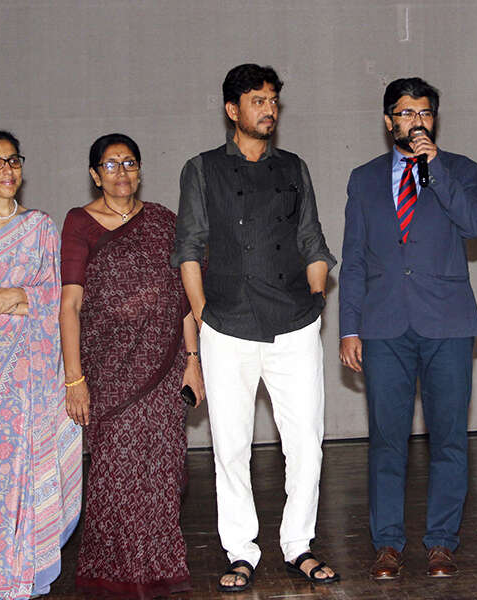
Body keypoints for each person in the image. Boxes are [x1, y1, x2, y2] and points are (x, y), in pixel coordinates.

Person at [172, 63, 339, 591]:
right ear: (232, 110)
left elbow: (313, 239)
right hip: (227, 324)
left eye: (273, 101)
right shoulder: (201, 170)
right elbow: (189, 249)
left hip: (294, 322)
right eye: (257, 101)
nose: (268, 110)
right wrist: (204, 318)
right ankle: (240, 550)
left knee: (307, 443)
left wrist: (315, 299)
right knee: (230, 446)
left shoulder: (294, 167)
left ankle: (298, 545)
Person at [339, 77, 477, 579]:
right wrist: (348, 328)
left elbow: (474, 226)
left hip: (446, 322)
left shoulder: (462, 169)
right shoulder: (363, 178)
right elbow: (354, 257)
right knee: (386, 440)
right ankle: (387, 545)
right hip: (383, 324)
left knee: (449, 439)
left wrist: (436, 166)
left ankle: (442, 541)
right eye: (405, 113)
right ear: (388, 121)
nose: (415, 121)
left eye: (424, 113)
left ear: (434, 119)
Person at [59, 133, 202, 596]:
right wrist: (74, 379)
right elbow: (70, 306)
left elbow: (182, 299)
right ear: (95, 174)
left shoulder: (163, 221)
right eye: (111, 164)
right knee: (114, 474)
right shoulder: (79, 222)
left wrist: (193, 362)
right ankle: (113, 574)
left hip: (165, 367)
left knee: (163, 470)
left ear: (140, 170)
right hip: (108, 371)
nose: (122, 172)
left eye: (130, 163)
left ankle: (159, 569)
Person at [0, 130, 81, 598]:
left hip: (32, 379)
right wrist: (16, 301)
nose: (7, 171)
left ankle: (24, 574)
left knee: (28, 474)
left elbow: (61, 295)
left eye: (13, 161)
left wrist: (16, 296)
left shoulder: (41, 227)